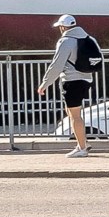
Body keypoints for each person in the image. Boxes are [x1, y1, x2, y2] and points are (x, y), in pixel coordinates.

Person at [42, 14, 100, 156]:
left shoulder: (66, 41)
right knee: (70, 111)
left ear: (63, 27)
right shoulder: (89, 38)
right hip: (86, 79)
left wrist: (45, 83)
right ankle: (83, 142)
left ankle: (82, 148)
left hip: (71, 81)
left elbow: (57, 64)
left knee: (75, 115)